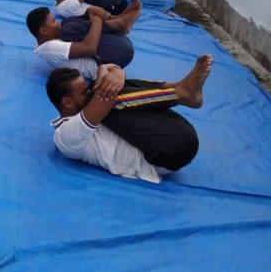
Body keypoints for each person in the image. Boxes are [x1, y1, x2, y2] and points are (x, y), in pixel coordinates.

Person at [45, 55, 212, 183]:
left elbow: (111, 74)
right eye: (83, 92)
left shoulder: (88, 112)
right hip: (162, 156)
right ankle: (183, 94)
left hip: (172, 137)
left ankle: (177, 87)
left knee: (111, 85)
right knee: (108, 90)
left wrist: (115, 72)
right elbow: (105, 95)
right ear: (67, 102)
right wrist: (110, 72)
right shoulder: (65, 135)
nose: (89, 92)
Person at [26, 6, 137, 79]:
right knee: (67, 30)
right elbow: (90, 48)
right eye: (54, 21)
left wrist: (88, 13)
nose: (58, 23)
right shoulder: (50, 48)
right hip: (111, 59)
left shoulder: (46, 43)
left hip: (115, 49)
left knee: (67, 23)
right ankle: (117, 23)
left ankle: (116, 20)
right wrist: (97, 18)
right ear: (44, 30)